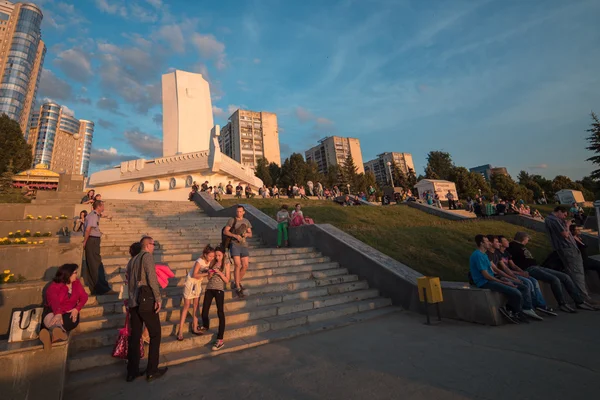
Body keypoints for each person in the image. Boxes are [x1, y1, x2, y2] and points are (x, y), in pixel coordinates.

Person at [508, 231, 595, 312]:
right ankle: (562, 303)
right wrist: (520, 271)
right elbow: (510, 262)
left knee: (565, 277)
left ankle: (579, 301)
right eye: (527, 239)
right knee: (555, 279)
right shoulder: (513, 246)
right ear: (523, 238)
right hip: (529, 269)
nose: (528, 240)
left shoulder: (521, 247)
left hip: (537, 267)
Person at [126, 236, 167, 382]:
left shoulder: (132, 260)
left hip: (133, 303)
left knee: (135, 336)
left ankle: (132, 371)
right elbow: (152, 278)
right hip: (145, 301)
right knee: (155, 334)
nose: (154, 247)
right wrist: (158, 298)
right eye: (153, 244)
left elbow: (128, 281)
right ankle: (152, 370)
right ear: (148, 245)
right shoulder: (147, 257)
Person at [469, 235, 525, 324]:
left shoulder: (484, 254)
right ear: (481, 243)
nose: (489, 243)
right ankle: (512, 311)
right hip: (484, 282)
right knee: (515, 292)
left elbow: (496, 270)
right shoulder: (477, 255)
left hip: (491, 279)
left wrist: (509, 279)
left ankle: (518, 310)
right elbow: (486, 275)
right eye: (487, 241)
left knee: (520, 286)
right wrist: (503, 282)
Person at [486, 235, 542, 321]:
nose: (499, 243)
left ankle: (528, 307)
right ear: (490, 243)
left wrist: (520, 273)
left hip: (502, 275)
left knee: (527, 284)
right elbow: (497, 271)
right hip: (495, 278)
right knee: (518, 288)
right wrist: (512, 278)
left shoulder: (496, 254)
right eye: (497, 242)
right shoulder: (487, 255)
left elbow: (506, 267)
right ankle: (513, 309)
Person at [497, 235, 556, 316]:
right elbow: (504, 269)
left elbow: (513, 266)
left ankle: (540, 305)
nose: (508, 241)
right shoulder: (497, 254)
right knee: (527, 283)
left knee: (534, 281)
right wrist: (518, 274)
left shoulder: (506, 253)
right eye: (505, 240)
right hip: (508, 275)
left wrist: (522, 272)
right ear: (500, 243)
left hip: (513, 273)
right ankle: (527, 307)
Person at [545, 206, 591, 302]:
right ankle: (584, 298)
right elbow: (565, 235)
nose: (564, 217)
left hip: (565, 248)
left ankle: (580, 297)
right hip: (568, 249)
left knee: (574, 272)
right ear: (559, 211)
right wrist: (567, 224)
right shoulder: (554, 220)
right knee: (577, 272)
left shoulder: (551, 219)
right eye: (564, 214)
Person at [39, 264, 88, 350]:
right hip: (53, 311)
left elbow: (84, 296)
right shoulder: (54, 286)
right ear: (68, 274)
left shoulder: (76, 283)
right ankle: (57, 334)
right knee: (53, 319)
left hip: (69, 312)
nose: (77, 274)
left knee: (72, 320)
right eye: (75, 272)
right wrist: (58, 313)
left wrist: (77, 309)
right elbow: (54, 301)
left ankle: (51, 335)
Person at [176, 245, 214, 341]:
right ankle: (180, 330)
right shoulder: (199, 261)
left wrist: (211, 274)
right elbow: (194, 274)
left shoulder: (210, 262)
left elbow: (208, 276)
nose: (211, 258)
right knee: (187, 305)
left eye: (212, 256)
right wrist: (207, 273)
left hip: (198, 283)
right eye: (210, 256)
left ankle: (195, 327)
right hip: (190, 282)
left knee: (196, 305)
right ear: (205, 255)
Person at [197, 246, 230, 351]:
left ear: (223, 255)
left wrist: (220, 273)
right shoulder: (212, 263)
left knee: (220, 312)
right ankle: (206, 325)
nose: (217, 257)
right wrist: (210, 273)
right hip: (209, 288)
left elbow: (227, 280)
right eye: (216, 255)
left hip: (219, 290)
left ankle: (220, 339)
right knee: (204, 310)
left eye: (219, 255)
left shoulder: (226, 264)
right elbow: (208, 277)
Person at [83, 201, 116, 295]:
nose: (104, 207)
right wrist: (85, 241)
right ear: (99, 206)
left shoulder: (95, 215)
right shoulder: (93, 215)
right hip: (92, 240)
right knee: (96, 264)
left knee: (93, 263)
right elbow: (88, 229)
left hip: (93, 240)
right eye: (103, 205)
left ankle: (95, 288)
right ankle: (102, 288)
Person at [223, 205, 253, 298]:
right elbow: (225, 231)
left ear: (243, 212)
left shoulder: (246, 221)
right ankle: (237, 286)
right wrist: (235, 236)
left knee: (245, 265)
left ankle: (237, 282)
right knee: (237, 264)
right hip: (234, 244)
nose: (238, 213)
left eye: (240, 211)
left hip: (243, 245)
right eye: (237, 211)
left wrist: (246, 234)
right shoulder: (232, 220)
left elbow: (250, 233)